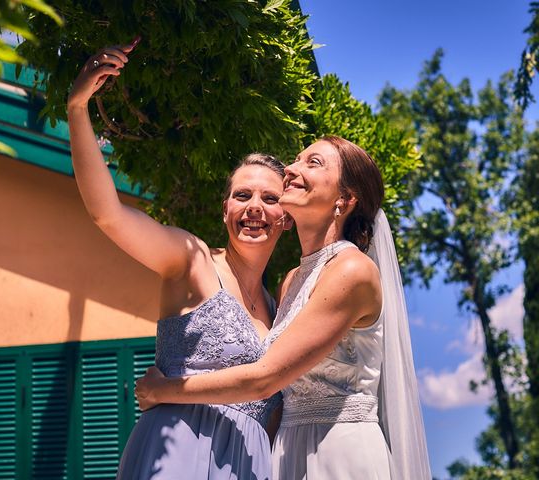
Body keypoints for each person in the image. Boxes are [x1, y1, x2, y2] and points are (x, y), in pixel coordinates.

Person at [136, 136, 432, 479]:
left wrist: (163, 390)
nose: (291, 169)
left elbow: (266, 378)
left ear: (345, 199)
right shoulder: (290, 281)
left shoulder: (352, 270)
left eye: (313, 162)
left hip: (337, 448)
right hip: (286, 450)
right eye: (296, 159)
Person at [67, 41, 292, 480]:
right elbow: (107, 215)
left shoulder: (283, 307)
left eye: (269, 198)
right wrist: (77, 108)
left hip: (249, 466)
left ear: (285, 219)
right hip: (177, 452)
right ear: (225, 207)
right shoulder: (191, 260)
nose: (254, 207)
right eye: (242, 195)